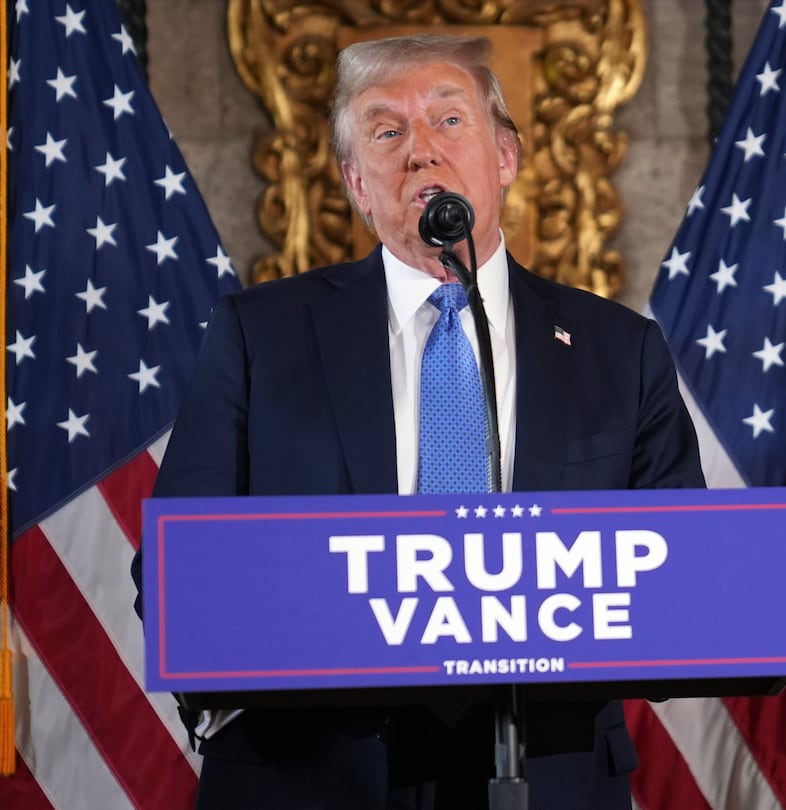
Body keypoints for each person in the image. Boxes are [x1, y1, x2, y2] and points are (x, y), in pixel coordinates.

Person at [135, 34, 704, 809]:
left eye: (448, 120)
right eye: (386, 131)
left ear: (505, 156)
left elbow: (684, 570)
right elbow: (177, 565)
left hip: (547, 768)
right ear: (357, 185)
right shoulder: (259, 335)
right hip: (312, 772)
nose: (420, 153)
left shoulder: (620, 349)